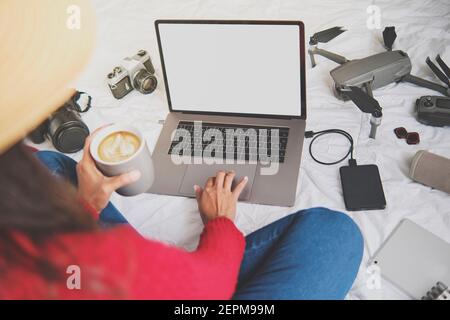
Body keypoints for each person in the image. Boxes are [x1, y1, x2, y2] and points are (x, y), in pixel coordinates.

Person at [0, 0, 363, 300]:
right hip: (177, 289)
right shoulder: (91, 263)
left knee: (51, 164)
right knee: (334, 234)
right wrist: (220, 223)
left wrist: (85, 206)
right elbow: (207, 288)